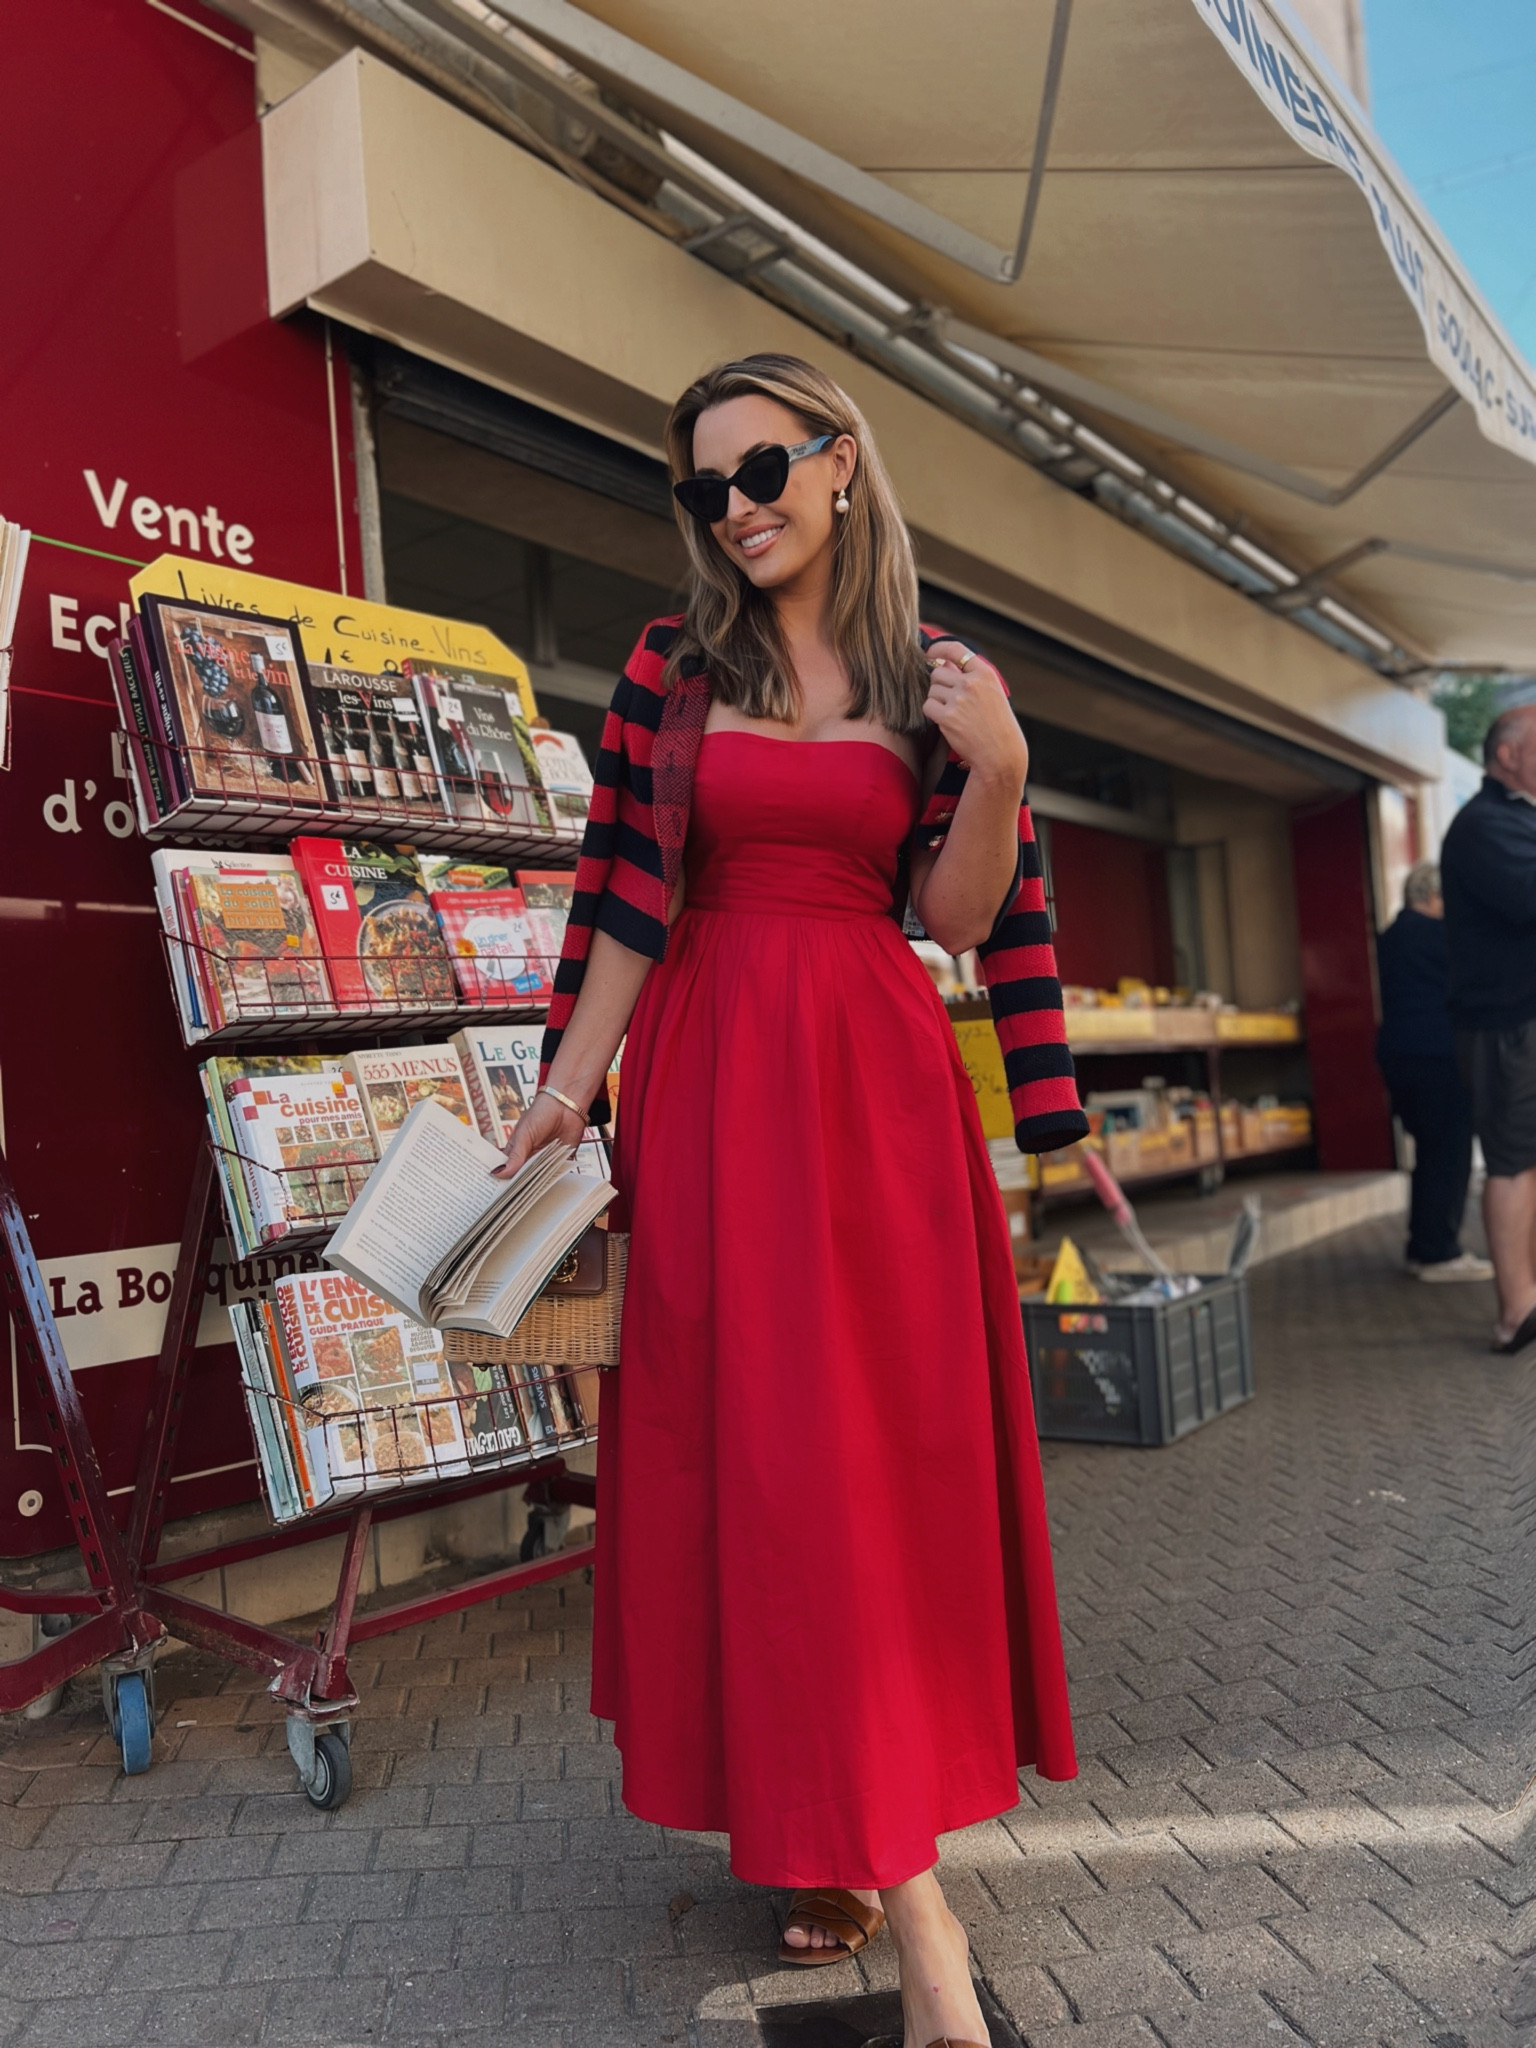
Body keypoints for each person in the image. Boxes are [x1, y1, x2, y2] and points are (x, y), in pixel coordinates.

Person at [499, 353, 1085, 2048]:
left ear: (842, 463)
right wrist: (558, 1092)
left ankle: (856, 1836)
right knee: (764, 1465)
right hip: (713, 1092)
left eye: (760, 470)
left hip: (880, 1100)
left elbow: (966, 924)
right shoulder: (668, 668)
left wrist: (1002, 762)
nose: (736, 508)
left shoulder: (940, 675)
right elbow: (619, 904)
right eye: (704, 488)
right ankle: (919, 1921)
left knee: (872, 1474)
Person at [1441, 702, 1536, 1354]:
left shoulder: (1516, 819)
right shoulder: (1485, 824)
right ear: (1508, 754)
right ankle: (1516, 1310)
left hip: (1523, 1019)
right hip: (1507, 1024)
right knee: (1511, 1161)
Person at [1375, 861, 1490, 1282]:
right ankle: (1440, 1252)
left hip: (1401, 1056)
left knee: (1429, 1154)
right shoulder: (1436, 937)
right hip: (1439, 1057)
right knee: (1450, 1152)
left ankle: (1422, 1247)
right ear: (1431, 897)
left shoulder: (1392, 937)